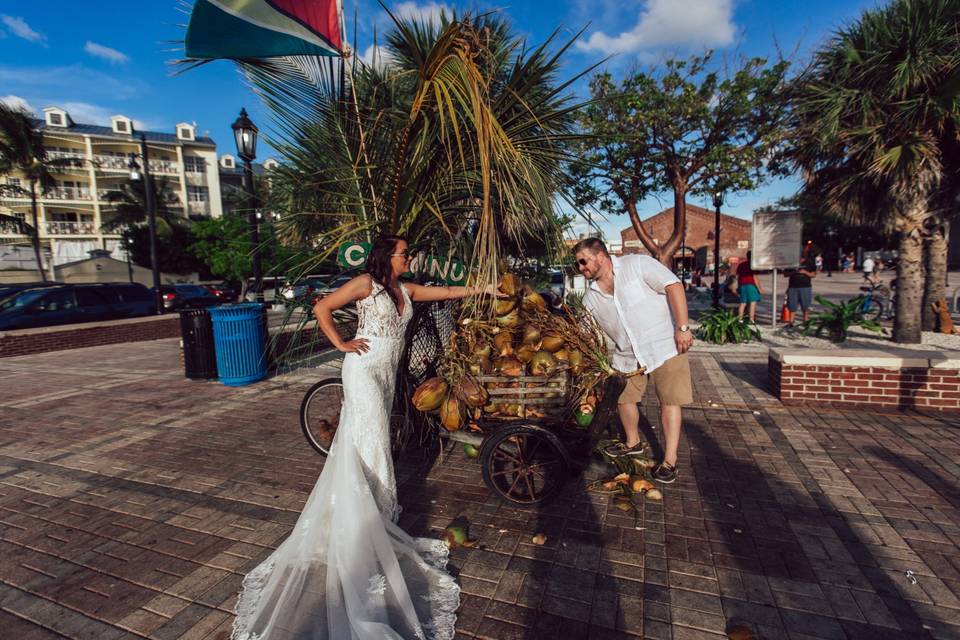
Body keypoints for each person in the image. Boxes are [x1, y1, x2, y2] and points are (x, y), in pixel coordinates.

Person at [232, 235, 493, 640]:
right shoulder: (365, 284)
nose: (409, 257)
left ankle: (367, 514)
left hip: (386, 376)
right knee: (371, 441)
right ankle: (368, 520)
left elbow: (445, 290)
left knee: (367, 441)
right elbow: (322, 307)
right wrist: (340, 343)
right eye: (404, 252)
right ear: (387, 256)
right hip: (363, 371)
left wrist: (483, 286)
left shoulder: (405, 289)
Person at [573, 238, 693, 484]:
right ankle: (632, 443)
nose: (581, 268)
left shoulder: (638, 265)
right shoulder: (590, 298)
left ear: (600, 256)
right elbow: (585, 333)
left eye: (583, 261)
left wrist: (682, 327)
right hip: (626, 355)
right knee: (623, 399)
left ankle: (669, 460)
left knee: (669, 402)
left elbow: (673, 285)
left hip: (662, 346)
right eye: (578, 265)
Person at [786, 250, 817, 326]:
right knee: (792, 305)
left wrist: (805, 272)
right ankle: (791, 322)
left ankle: (805, 321)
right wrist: (793, 272)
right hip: (793, 286)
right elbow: (785, 274)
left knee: (805, 305)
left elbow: (813, 274)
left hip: (805, 286)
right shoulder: (791, 262)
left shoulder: (809, 262)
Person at [736, 251, 763, 322]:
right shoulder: (753, 265)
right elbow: (755, 277)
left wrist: (739, 286)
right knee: (752, 303)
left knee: (743, 303)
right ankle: (751, 319)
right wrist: (759, 288)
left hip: (742, 285)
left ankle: (740, 319)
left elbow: (739, 277)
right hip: (751, 285)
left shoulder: (741, 265)